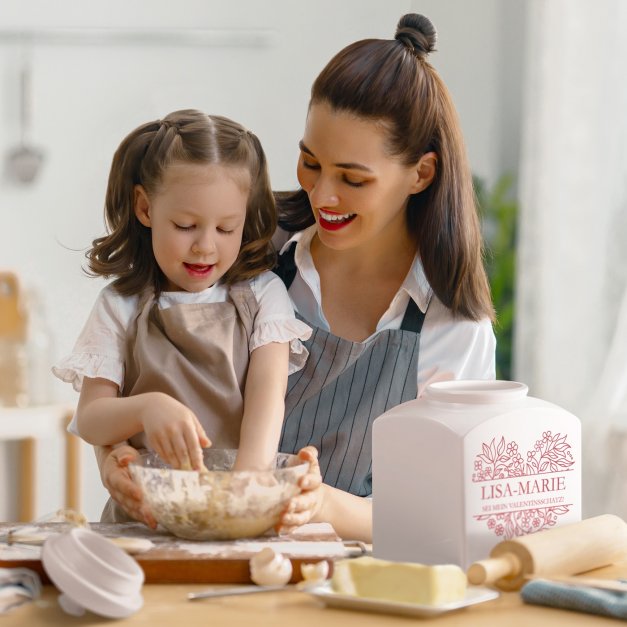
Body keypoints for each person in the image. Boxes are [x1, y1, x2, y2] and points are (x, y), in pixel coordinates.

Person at [96, 13, 496, 541]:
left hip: (347, 582)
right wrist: (113, 460)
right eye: (310, 163)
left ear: (420, 174)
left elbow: (446, 514)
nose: (322, 195)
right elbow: (137, 365)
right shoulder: (248, 253)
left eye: (353, 179)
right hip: (191, 545)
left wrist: (323, 502)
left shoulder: (453, 327)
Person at [53, 109, 311, 521]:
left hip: (233, 510)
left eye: (227, 229)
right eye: (186, 225)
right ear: (145, 208)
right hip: (142, 519)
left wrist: (243, 494)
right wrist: (146, 408)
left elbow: (267, 403)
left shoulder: (264, 297)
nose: (205, 247)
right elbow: (90, 420)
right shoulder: (120, 305)